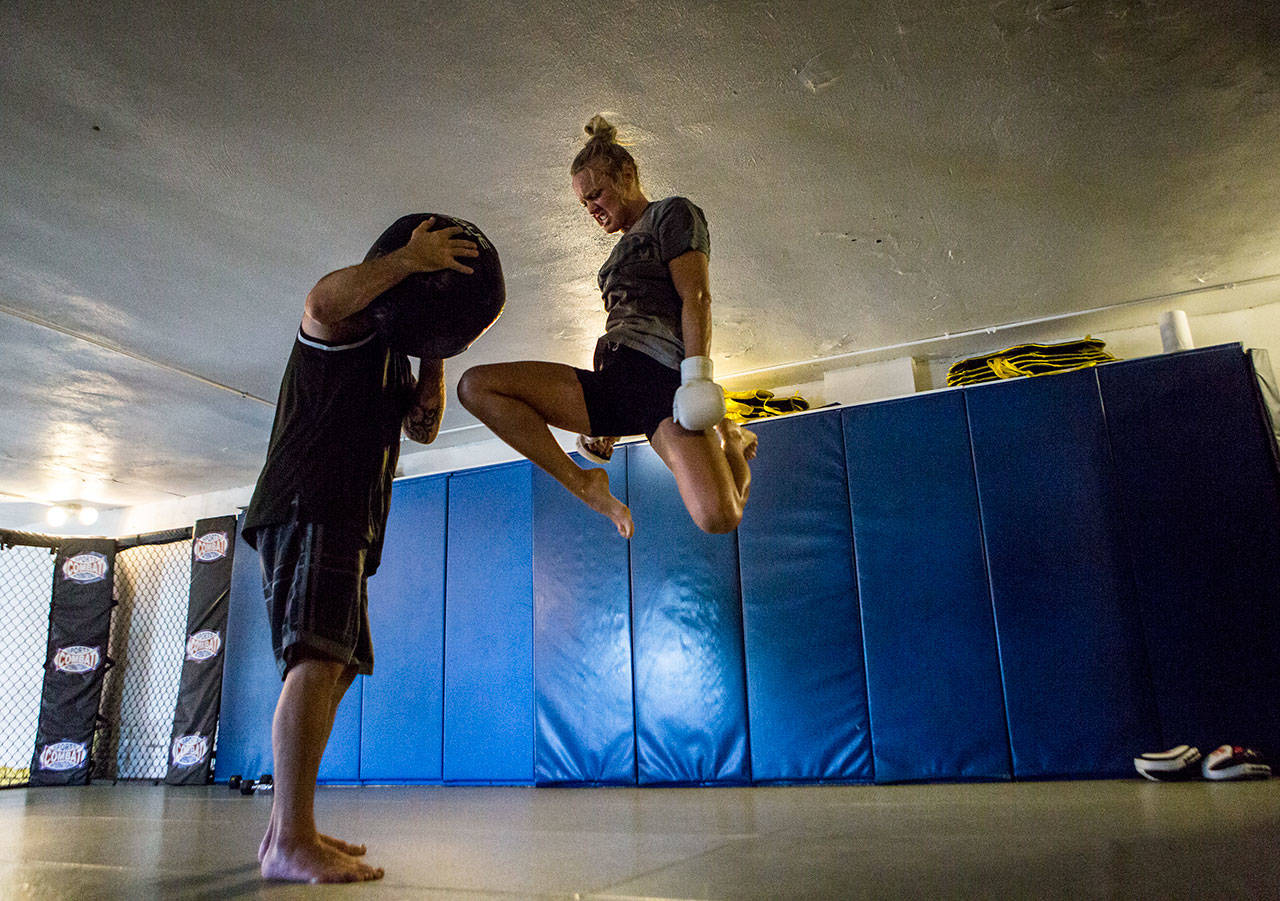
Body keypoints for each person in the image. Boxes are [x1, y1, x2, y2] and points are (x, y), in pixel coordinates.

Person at [241, 218, 479, 883]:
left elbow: (424, 427)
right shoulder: (346, 324)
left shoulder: (392, 354)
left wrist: (434, 349)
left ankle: (285, 831)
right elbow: (317, 302)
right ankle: (290, 837)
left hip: (348, 518)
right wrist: (411, 258)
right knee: (316, 659)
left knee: (334, 665)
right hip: (310, 503)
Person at [458, 115, 756, 539]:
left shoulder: (672, 214)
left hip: (663, 384)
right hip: (615, 380)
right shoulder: (611, 260)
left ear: (628, 176)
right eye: (584, 203)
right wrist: (607, 429)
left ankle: (734, 441)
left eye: (596, 194)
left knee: (719, 517)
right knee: (476, 386)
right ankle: (584, 482)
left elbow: (697, 297)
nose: (592, 209)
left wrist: (697, 378)